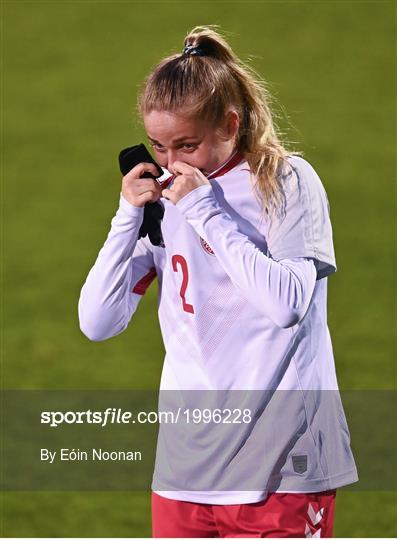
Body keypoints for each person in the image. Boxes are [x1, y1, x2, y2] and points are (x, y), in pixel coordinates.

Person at [78, 26, 358, 538]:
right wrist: (126, 216)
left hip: (281, 467)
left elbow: (287, 303)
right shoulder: (163, 201)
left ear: (230, 123)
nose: (171, 163)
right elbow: (98, 322)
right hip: (186, 468)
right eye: (160, 147)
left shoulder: (286, 181)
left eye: (187, 144)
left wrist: (205, 212)